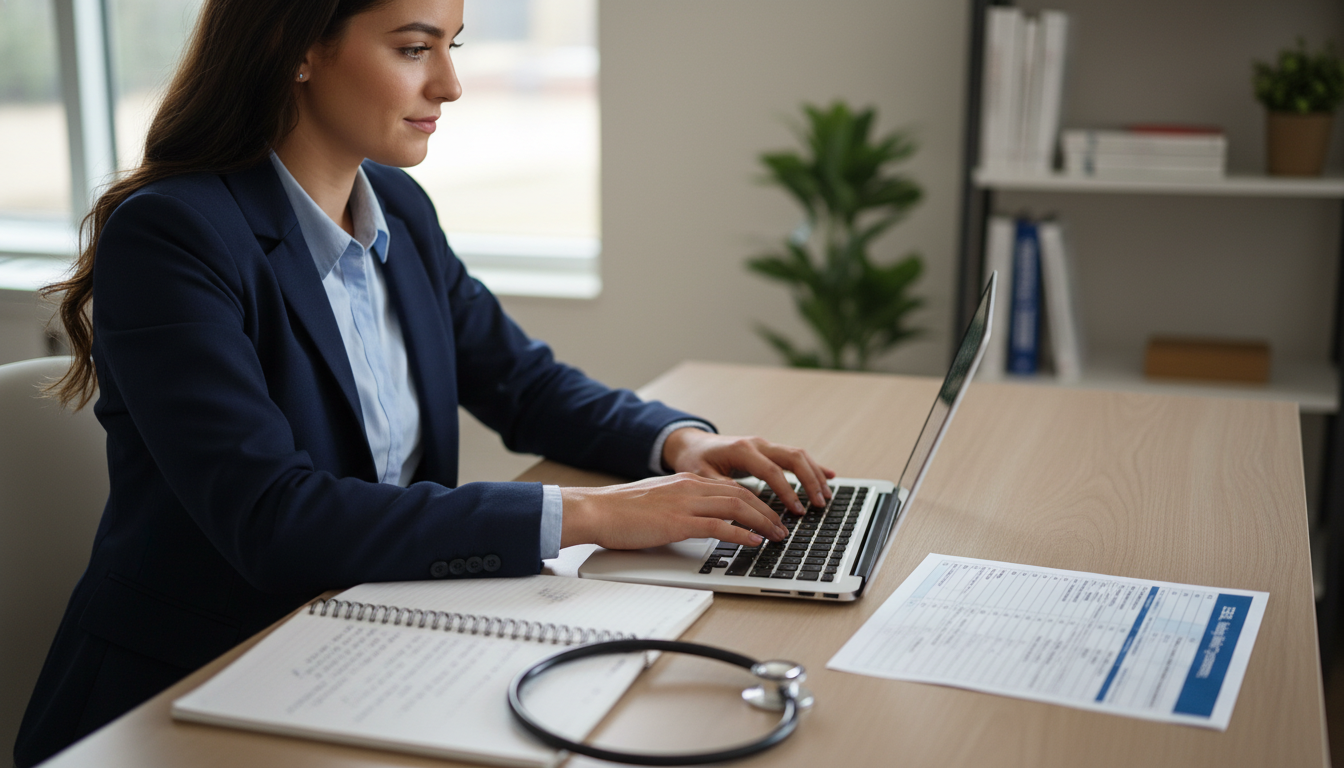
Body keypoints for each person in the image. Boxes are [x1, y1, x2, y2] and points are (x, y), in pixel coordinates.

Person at [14, 1, 836, 765]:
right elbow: (274, 517)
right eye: (414, 48)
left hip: (372, 645)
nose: (449, 84)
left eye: (453, 45)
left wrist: (686, 443)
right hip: (195, 683)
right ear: (296, 48)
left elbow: (523, 383)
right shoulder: (173, 235)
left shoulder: (397, 208)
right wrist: (596, 515)